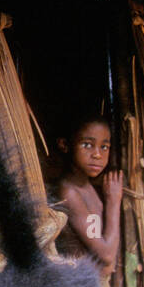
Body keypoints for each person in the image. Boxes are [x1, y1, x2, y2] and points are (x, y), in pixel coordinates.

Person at [52, 115, 122, 274]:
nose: (97, 154)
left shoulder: (87, 187)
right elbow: (106, 254)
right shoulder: (69, 193)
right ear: (64, 145)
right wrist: (113, 202)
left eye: (104, 147)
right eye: (87, 145)